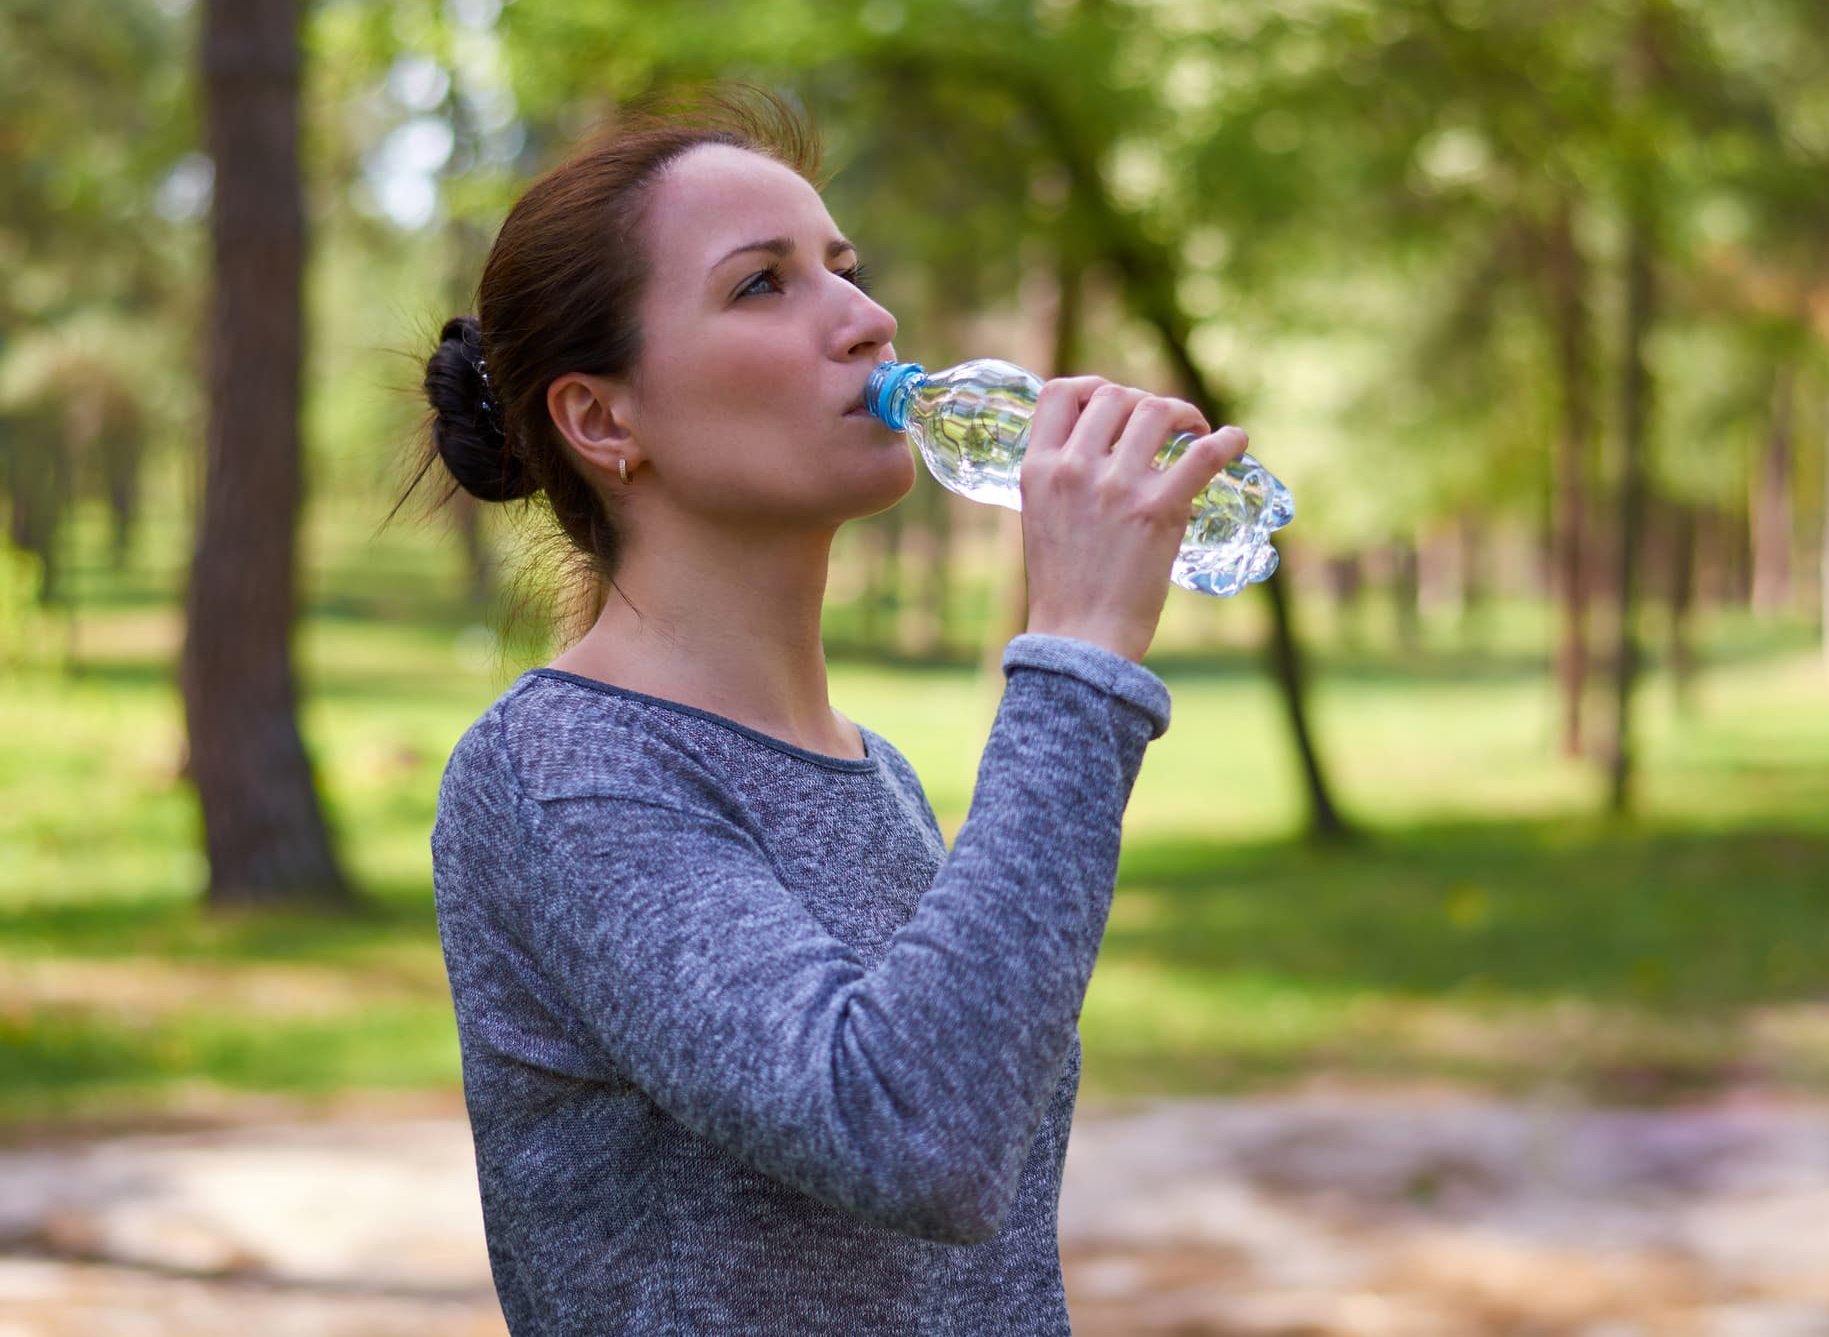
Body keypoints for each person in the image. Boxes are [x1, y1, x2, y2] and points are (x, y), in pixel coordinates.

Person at [406, 87, 1248, 1336]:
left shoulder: (875, 775)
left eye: (842, 270)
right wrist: (1077, 658)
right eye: (762, 284)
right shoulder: (559, 771)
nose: (867, 319)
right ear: (601, 417)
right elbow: (917, 1136)